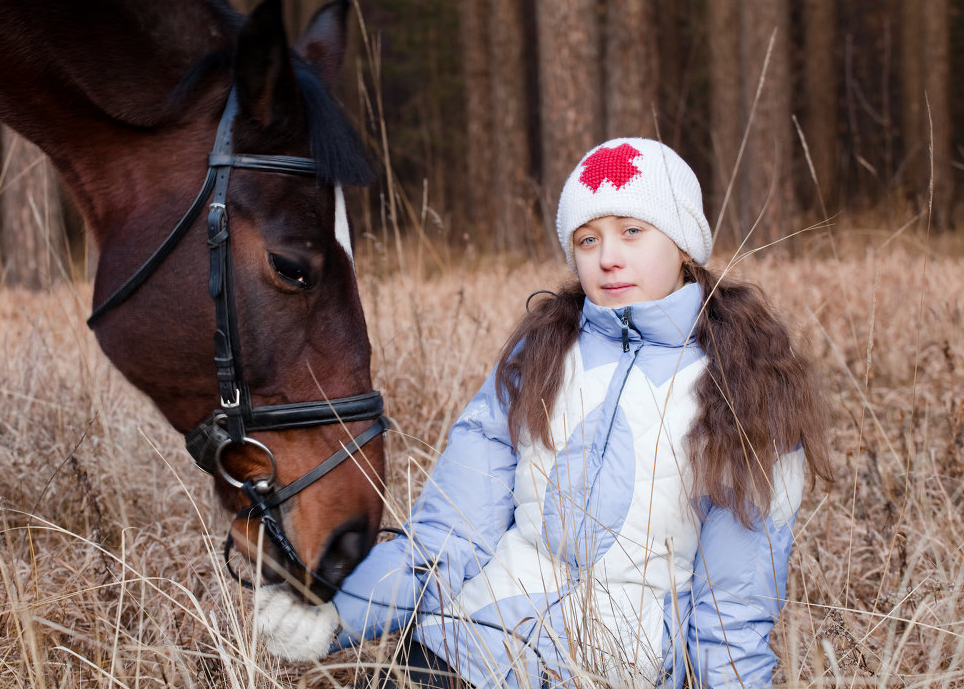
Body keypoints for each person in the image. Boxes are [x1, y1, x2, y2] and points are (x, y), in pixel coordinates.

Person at [254, 138, 833, 689]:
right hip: (467, 644)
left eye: (632, 231)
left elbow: (733, 604)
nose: (608, 258)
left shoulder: (745, 386)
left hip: (613, 666)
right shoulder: (540, 359)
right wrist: (336, 611)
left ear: (682, 244)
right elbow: (451, 534)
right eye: (587, 240)